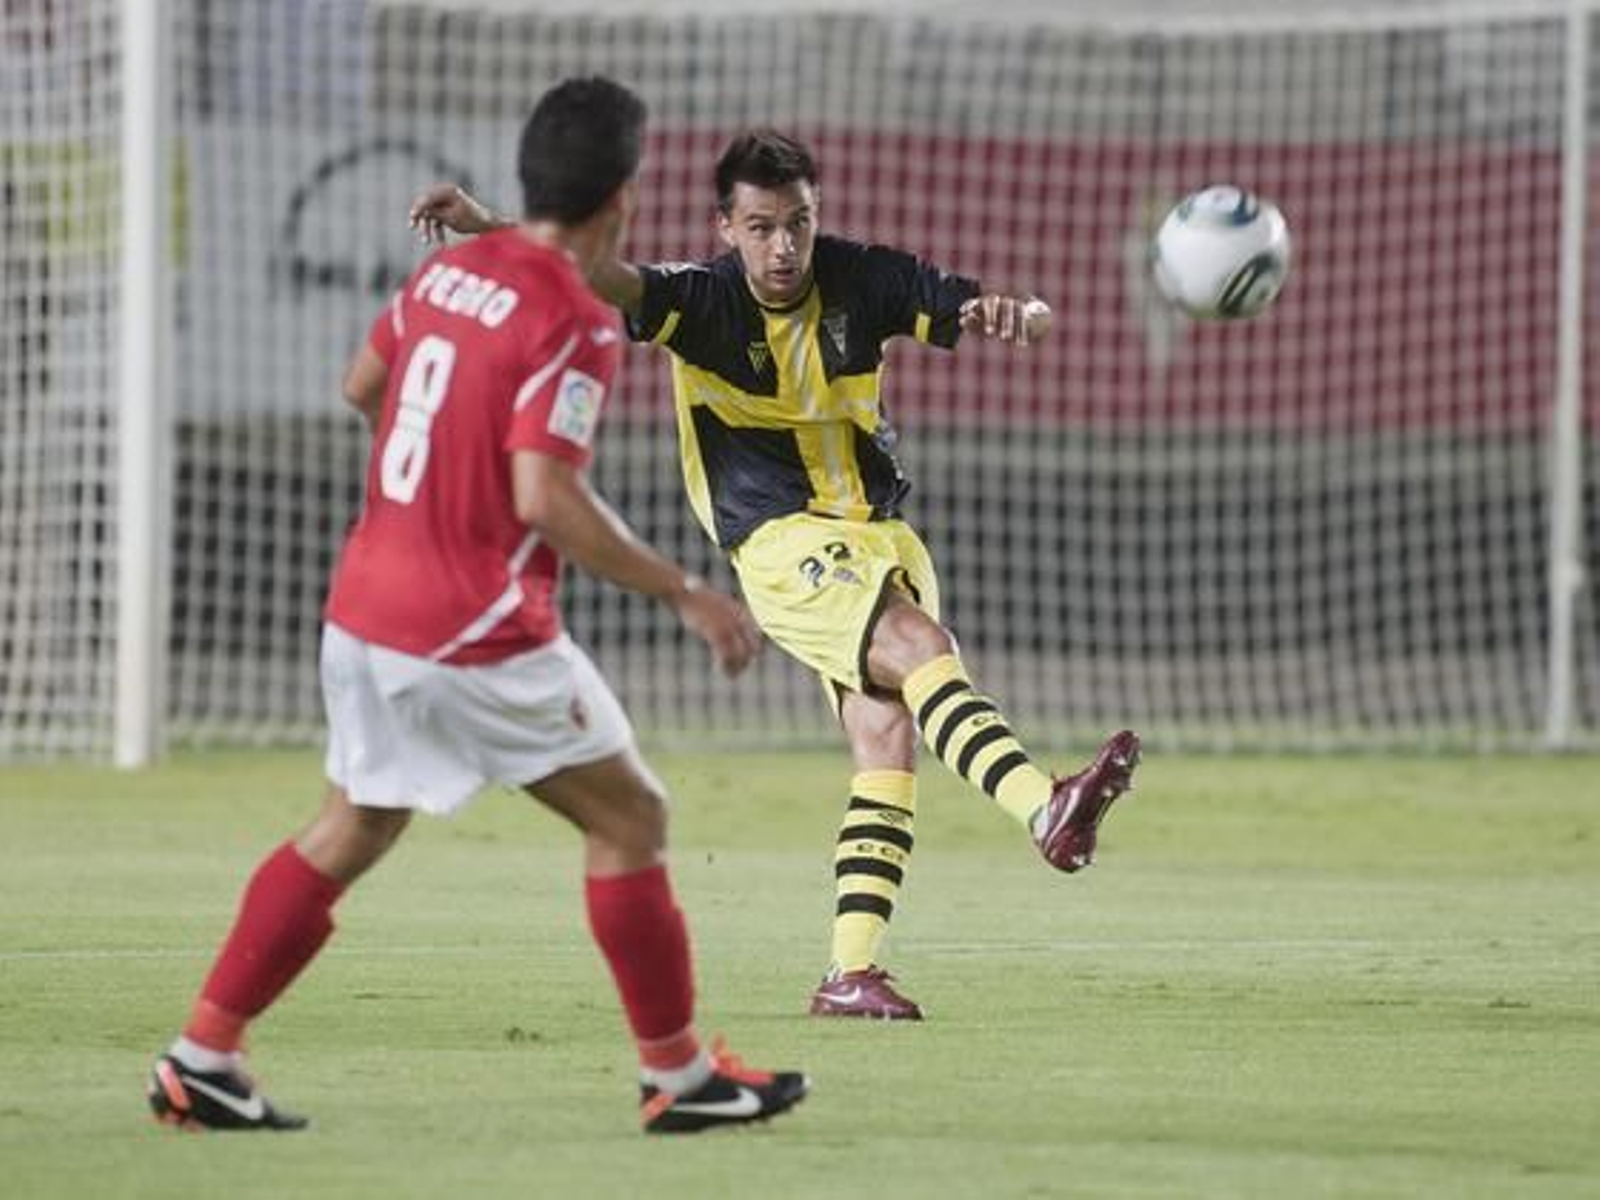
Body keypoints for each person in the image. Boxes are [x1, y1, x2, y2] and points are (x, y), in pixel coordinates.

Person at [146, 78, 807, 1135]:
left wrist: (428, 493)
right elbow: (544, 495)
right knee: (632, 816)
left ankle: (202, 1056)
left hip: (364, 605)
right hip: (469, 629)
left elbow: (364, 389)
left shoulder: (450, 275)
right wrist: (684, 589)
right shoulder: (576, 324)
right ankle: (678, 1077)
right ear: (622, 197)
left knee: (353, 823)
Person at [409, 129, 1141, 1023]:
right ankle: (1042, 807)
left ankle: (849, 973)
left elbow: (957, 305)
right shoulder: (700, 303)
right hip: (781, 544)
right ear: (726, 227)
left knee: (886, 741)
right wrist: (486, 226)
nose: (783, 248)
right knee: (922, 649)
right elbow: (591, 270)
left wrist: (1006, 312)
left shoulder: (860, 277)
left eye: (797, 224)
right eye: (760, 228)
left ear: (816, 216)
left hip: (880, 537)